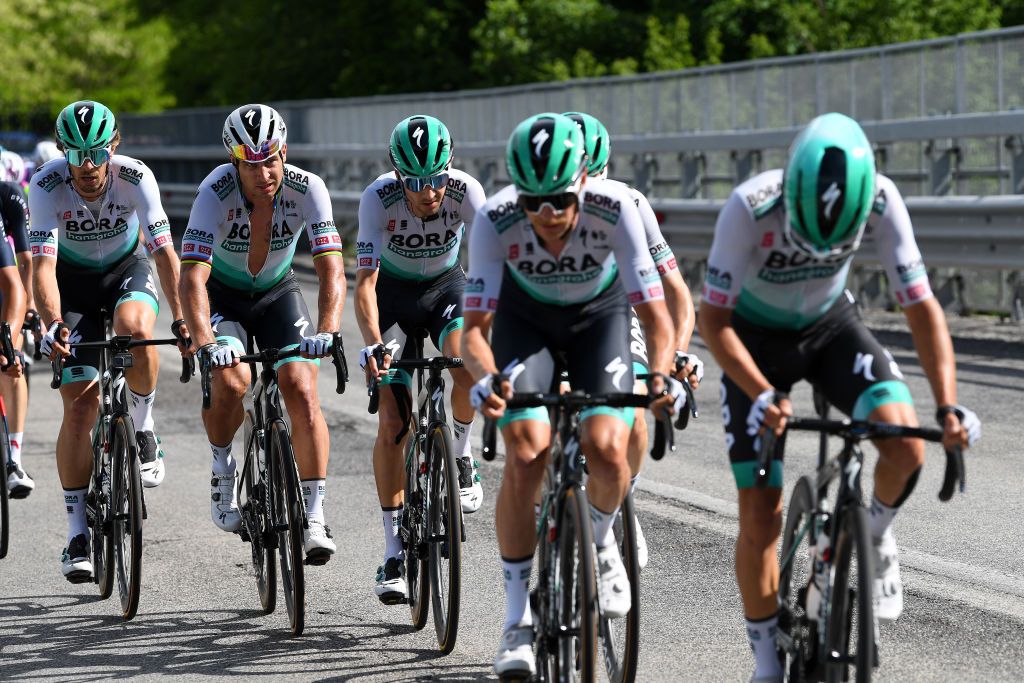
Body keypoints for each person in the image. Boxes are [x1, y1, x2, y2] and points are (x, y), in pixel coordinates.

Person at [697, 112, 981, 682]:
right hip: (752, 341)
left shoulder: (880, 198)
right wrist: (760, 393)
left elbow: (922, 308)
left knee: (903, 442)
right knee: (760, 515)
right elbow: (713, 321)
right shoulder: (750, 206)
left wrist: (947, 406)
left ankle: (872, 534)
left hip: (830, 327)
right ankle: (765, 661)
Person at [461, 112, 684, 678]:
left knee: (609, 445)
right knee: (528, 448)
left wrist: (659, 378)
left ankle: (602, 537)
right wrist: (486, 378)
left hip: (597, 319)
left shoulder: (617, 207)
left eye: (560, 200)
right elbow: (474, 333)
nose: (548, 215)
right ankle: (516, 622)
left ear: (585, 179)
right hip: (525, 322)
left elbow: (657, 319)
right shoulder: (495, 217)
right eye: (534, 202)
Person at [179, 103, 345, 564]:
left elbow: (332, 270)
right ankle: (221, 464)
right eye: (252, 164)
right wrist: (206, 343)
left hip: (277, 293)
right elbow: (192, 278)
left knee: (302, 388)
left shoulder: (307, 187)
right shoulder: (214, 190)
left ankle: (313, 515)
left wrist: (328, 331)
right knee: (232, 381)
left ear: (284, 152)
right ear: (235, 162)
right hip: (224, 298)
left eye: (271, 160)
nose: (264, 172)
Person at [31, 100, 188, 582]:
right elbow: (41, 266)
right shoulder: (46, 184)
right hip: (72, 282)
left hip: (126, 269)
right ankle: (77, 532)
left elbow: (164, 252)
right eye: (76, 155)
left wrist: (182, 317)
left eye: (97, 152)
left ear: (113, 146)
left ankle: (142, 429)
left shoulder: (135, 177)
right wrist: (53, 322)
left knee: (137, 331)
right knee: (79, 407)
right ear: (62, 153)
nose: (88, 165)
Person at [355, 114, 487, 604]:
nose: (428, 193)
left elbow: (496, 265)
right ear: (397, 176)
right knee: (394, 421)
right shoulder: (378, 197)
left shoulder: (466, 190)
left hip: (446, 288)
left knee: (468, 361)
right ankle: (392, 550)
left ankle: (462, 450)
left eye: (436, 180)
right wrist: (372, 344)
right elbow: (364, 283)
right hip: (391, 296)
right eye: (415, 182)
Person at [563, 110, 703, 570]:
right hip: (551, 314)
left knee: (636, 417)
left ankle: (623, 502)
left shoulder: (629, 204)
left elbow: (675, 294)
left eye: (597, 179)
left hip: (615, 314)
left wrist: (677, 354)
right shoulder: (533, 208)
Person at [0, 176, 34, 497]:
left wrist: (8, 341)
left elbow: (16, 283)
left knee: (11, 363)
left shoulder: (6, 198)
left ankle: (14, 458)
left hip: (3, 289)